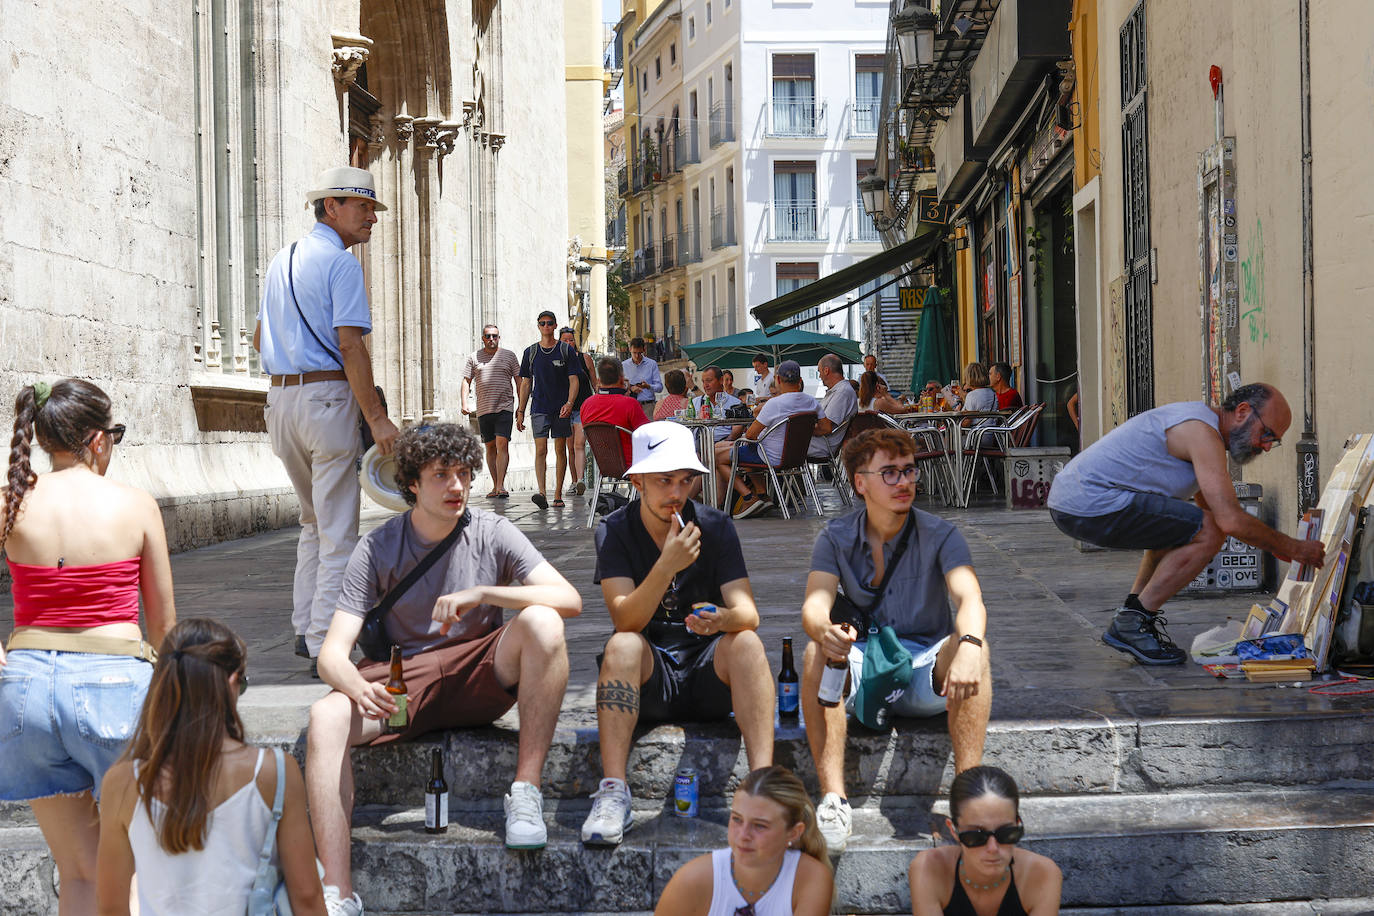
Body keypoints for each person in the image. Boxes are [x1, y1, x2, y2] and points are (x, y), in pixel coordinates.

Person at [306, 423, 581, 913]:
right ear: (411, 482)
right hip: (402, 685)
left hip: (479, 670)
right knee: (325, 718)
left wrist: (486, 593)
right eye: (440, 475)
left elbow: (569, 599)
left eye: (463, 474)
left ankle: (525, 792)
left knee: (543, 622)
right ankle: (338, 891)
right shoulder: (378, 547)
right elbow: (331, 654)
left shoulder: (492, 531)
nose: (456, 486)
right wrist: (354, 686)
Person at [0, 378, 176, 915]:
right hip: (115, 687)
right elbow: (166, 627)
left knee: (77, 873)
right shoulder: (135, 504)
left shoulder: (13, 499)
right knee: (139, 865)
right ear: (98, 439)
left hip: (26, 692)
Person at [801, 428, 991, 855]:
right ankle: (833, 799)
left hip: (925, 670)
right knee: (816, 651)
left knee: (974, 644)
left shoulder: (941, 534)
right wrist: (825, 631)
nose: (904, 482)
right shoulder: (835, 537)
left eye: (908, 471)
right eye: (889, 473)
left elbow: (969, 597)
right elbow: (815, 605)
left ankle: (969, 796)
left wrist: (971, 646)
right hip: (864, 664)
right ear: (860, 483)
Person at [582, 422, 774, 846]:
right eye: (663, 480)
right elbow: (624, 619)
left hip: (708, 670)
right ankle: (614, 790)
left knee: (746, 642)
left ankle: (762, 787)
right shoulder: (614, 530)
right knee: (622, 646)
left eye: (685, 480)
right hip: (651, 675)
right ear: (637, 482)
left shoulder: (715, 525)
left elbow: (748, 613)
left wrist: (721, 620)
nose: (676, 492)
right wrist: (666, 565)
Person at [1047, 383, 1325, 666]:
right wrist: (1295, 549)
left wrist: (1276, 546)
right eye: (1266, 434)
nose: (1266, 447)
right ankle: (1133, 623)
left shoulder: (1204, 432)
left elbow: (1212, 509)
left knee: (1184, 528)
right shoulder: (1200, 431)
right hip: (1087, 501)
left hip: (1073, 501)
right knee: (1207, 530)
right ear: (1242, 412)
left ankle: (1133, 616)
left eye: (1273, 441)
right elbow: (1228, 521)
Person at [252, 166, 399, 670]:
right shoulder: (341, 265)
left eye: (373, 209)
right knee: (338, 527)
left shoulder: (281, 259)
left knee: (312, 520)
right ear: (330, 207)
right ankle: (323, 642)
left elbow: (257, 337)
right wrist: (376, 418)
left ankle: (303, 626)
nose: (372, 218)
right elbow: (350, 344)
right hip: (327, 400)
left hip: (280, 401)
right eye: (362, 207)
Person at [96, 618, 326, 916]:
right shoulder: (275, 772)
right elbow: (306, 897)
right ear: (231, 682)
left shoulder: (123, 782)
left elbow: (110, 907)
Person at [653, 766, 833, 916]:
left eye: (760, 825)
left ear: (794, 833)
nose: (743, 835)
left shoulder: (811, 879)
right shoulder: (692, 880)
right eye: (737, 819)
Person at [908, 766, 1061, 916]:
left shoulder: (1041, 874)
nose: (993, 848)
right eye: (976, 836)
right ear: (953, 830)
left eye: (1006, 833)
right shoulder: (928, 868)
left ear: (1018, 824)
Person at [717, 360, 829, 519]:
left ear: (777, 380)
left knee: (718, 458)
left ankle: (749, 498)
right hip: (796, 458)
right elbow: (826, 428)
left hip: (770, 457)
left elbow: (751, 436)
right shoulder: (811, 402)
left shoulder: (774, 404)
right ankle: (763, 495)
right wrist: (801, 431)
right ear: (800, 381)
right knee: (745, 450)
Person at [517, 310, 581, 510]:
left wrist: (569, 403)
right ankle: (542, 492)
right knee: (541, 450)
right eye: (542, 323)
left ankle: (558, 494)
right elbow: (526, 383)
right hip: (539, 407)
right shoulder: (531, 352)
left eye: (549, 323)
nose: (546, 326)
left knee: (560, 449)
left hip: (561, 408)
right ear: (538, 326)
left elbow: (574, 379)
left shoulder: (565, 350)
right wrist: (520, 411)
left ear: (555, 326)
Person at [461, 323, 521, 499]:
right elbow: (466, 381)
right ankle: (495, 486)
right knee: (490, 447)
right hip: (484, 409)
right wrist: (464, 402)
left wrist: (521, 406)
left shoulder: (509, 356)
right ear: (483, 338)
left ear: (499, 338)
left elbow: (519, 381)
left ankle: (501, 485)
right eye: (488, 336)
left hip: (505, 407)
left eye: (495, 336)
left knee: (502, 443)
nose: (491, 339)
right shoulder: (474, 357)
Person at [582, 355, 651, 468]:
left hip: (604, 464)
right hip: (633, 463)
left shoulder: (586, 405)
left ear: (599, 380)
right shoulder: (630, 404)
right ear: (622, 378)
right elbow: (647, 433)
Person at [561, 327, 596, 498]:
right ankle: (574, 482)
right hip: (564, 409)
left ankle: (580, 480)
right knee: (570, 447)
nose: (568, 343)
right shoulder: (558, 360)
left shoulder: (585, 359)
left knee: (579, 444)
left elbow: (595, 384)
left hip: (584, 407)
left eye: (571, 340)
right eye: (565, 340)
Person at [809, 354, 858, 461]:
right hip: (817, 443)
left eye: (819, 372)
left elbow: (826, 428)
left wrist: (803, 430)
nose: (820, 376)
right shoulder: (838, 391)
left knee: (775, 445)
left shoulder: (842, 392)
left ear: (826, 371)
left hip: (821, 446)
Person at [693, 366, 747, 445]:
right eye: (703, 381)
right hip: (700, 444)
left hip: (724, 443)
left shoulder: (736, 403)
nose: (705, 385)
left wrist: (721, 445)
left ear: (721, 380)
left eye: (709, 381)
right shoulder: (695, 402)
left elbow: (737, 431)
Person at [624, 336, 664, 420]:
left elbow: (659, 387)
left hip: (648, 406)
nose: (637, 356)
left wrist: (648, 386)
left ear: (644, 350)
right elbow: (620, 386)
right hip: (631, 406)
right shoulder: (623, 365)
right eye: (634, 352)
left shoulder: (652, 364)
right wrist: (631, 388)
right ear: (630, 349)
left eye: (639, 353)